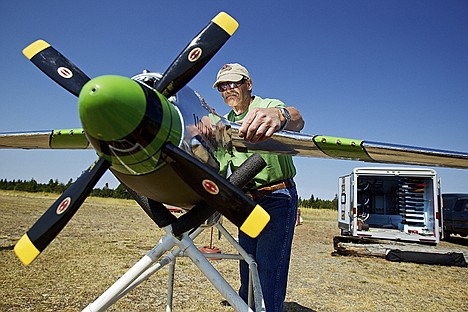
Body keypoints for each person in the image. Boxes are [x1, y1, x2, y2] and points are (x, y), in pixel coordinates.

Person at [213, 63, 304, 311]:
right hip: (247, 204)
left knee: (268, 267)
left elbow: (297, 118)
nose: (228, 89)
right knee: (248, 262)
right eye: (222, 86)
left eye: (234, 83)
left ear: (249, 84)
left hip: (277, 198)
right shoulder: (223, 123)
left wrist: (280, 115)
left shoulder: (266, 105)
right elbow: (218, 167)